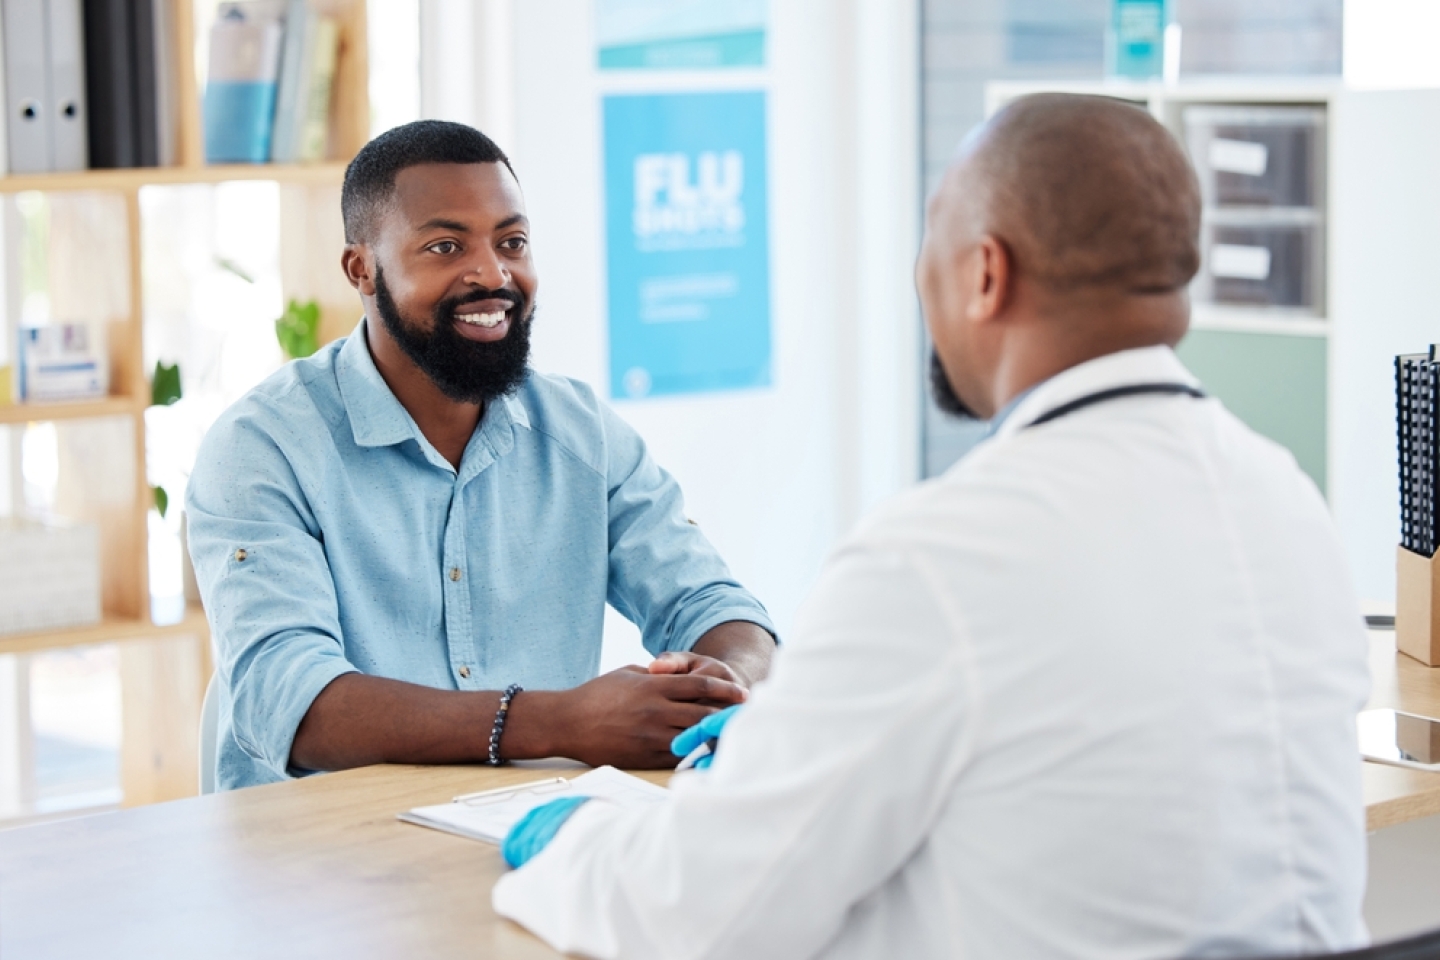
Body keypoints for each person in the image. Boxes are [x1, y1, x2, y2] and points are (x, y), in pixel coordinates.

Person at [491, 93, 1370, 959]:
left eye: (930, 251)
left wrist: (576, 838)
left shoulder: (943, 555)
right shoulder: (1286, 500)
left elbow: (689, 913)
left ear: (985, 273)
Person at [186, 120, 776, 791]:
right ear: (363, 270)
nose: (493, 274)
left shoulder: (582, 433)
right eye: (445, 246)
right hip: (317, 857)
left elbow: (714, 605)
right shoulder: (262, 448)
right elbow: (292, 704)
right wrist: (559, 723)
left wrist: (726, 683)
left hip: (521, 831)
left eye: (512, 242)